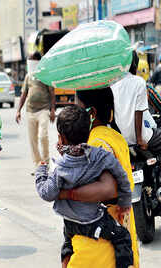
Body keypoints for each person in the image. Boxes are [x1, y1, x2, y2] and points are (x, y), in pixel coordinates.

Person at [35, 105, 133, 268]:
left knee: (68, 243)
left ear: (61, 138)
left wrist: (41, 172)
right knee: (122, 237)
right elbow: (121, 176)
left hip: (70, 223)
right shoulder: (101, 156)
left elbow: (47, 193)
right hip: (92, 222)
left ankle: (66, 262)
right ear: (88, 133)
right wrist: (124, 202)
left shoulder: (60, 167)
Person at [58, 87, 139, 268]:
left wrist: (66, 194)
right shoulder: (114, 136)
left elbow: (108, 188)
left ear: (92, 113)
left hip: (99, 247)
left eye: (78, 108)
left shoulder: (96, 143)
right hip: (118, 232)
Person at [112, 50, 161, 154]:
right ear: (134, 65)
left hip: (118, 139)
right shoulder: (139, 82)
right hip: (141, 139)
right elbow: (138, 111)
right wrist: (139, 140)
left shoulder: (111, 83)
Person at [16, 51, 56, 174]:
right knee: (32, 140)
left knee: (42, 136)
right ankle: (38, 165)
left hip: (43, 110)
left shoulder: (45, 75)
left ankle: (45, 163)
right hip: (30, 111)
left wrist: (53, 110)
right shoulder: (28, 76)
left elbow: (52, 93)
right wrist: (18, 110)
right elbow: (24, 94)